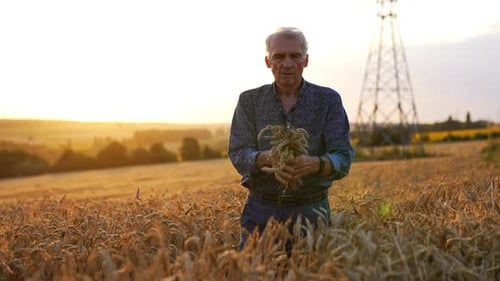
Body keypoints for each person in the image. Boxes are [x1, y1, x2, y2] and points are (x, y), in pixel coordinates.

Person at [228, 27, 354, 251]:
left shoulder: (328, 100)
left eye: (295, 56)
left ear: (306, 60)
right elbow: (238, 152)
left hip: (312, 211)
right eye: (279, 56)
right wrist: (266, 159)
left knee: (312, 272)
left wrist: (314, 164)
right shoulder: (249, 101)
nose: (287, 63)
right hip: (260, 211)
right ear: (268, 61)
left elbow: (343, 157)